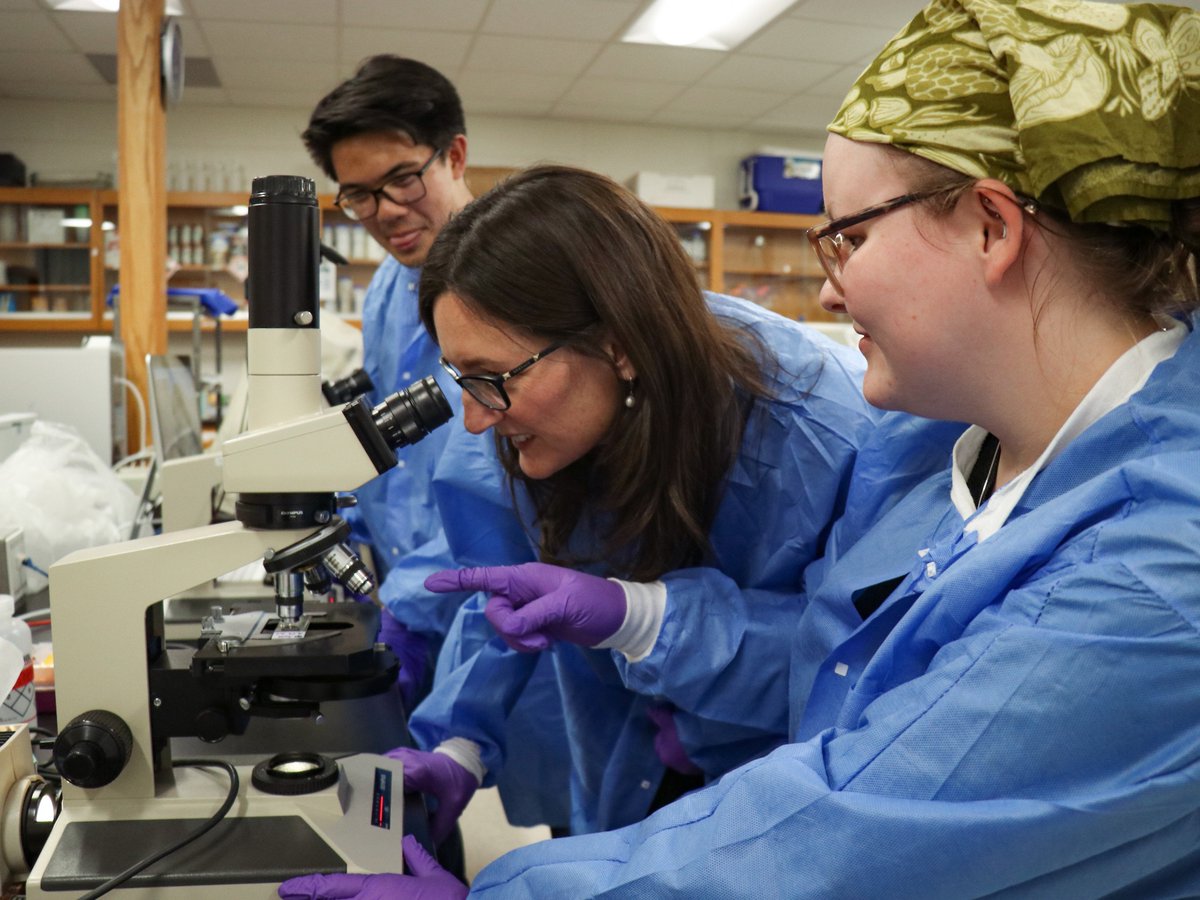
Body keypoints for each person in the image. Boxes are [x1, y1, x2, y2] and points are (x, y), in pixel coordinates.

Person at [280, 0, 1200, 896]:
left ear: (992, 227)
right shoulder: (940, 443)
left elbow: (844, 833)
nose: (830, 298)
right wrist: (478, 727)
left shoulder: (1145, 572)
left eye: (847, 238)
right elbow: (828, 667)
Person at [303, 55, 573, 836]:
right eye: (356, 194)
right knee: (427, 803)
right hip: (423, 604)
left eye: (402, 178)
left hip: (515, 608)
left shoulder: (522, 287)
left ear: (454, 156)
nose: (383, 211)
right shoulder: (391, 288)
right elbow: (399, 460)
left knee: (589, 832)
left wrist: (409, 609)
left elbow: (509, 497)